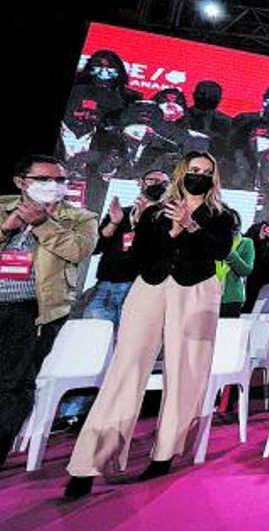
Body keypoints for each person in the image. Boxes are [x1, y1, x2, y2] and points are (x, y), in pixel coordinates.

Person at [65, 151, 235, 498]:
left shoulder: (222, 215)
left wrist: (191, 226)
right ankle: (88, 463)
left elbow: (219, 251)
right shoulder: (155, 211)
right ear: (181, 173)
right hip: (151, 285)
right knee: (125, 368)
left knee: (185, 370)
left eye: (205, 171)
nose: (198, 176)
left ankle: (166, 452)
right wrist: (170, 231)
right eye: (193, 170)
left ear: (213, 178)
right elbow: (140, 254)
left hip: (195, 289)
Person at [0, 156, 97, 468]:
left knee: (13, 385)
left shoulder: (81, 217)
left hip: (34, 311)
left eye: (60, 180)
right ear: (21, 182)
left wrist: (42, 223)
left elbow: (78, 250)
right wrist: (5, 229)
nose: (53, 186)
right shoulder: (2, 207)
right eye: (44, 179)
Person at [84, 169, 170, 325]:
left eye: (164, 183)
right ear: (140, 183)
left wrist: (142, 220)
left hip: (141, 289)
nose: (159, 185)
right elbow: (96, 247)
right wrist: (114, 222)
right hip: (106, 286)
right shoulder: (122, 213)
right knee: (96, 338)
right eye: (153, 180)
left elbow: (159, 252)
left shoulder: (169, 218)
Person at [215, 211, 254, 317]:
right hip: (209, 295)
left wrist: (229, 252)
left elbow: (246, 270)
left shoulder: (246, 243)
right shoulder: (212, 242)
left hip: (232, 299)